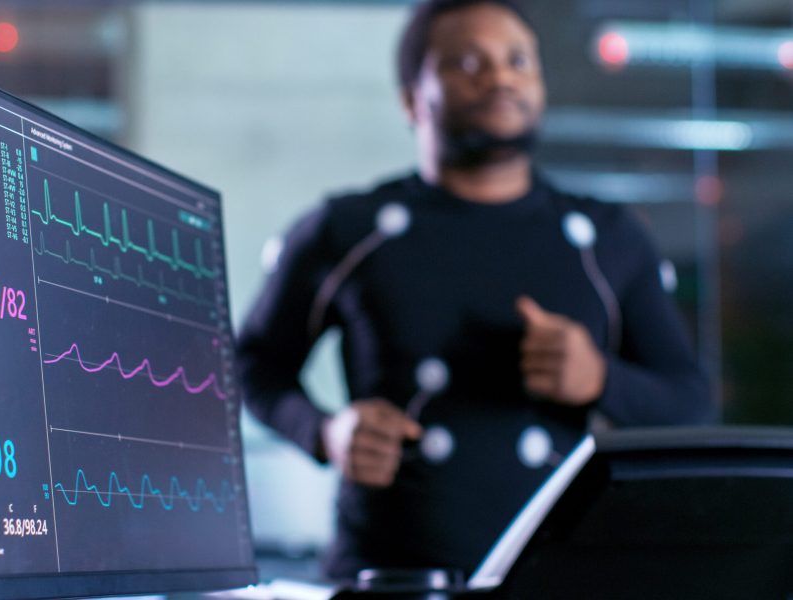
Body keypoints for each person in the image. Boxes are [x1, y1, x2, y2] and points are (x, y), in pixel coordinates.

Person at [236, 0, 714, 580]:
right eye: (467, 62)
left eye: (518, 61)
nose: (500, 77)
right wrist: (326, 431)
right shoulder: (347, 229)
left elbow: (690, 402)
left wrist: (600, 380)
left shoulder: (609, 238)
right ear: (412, 99)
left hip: (559, 578)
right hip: (384, 579)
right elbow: (251, 365)